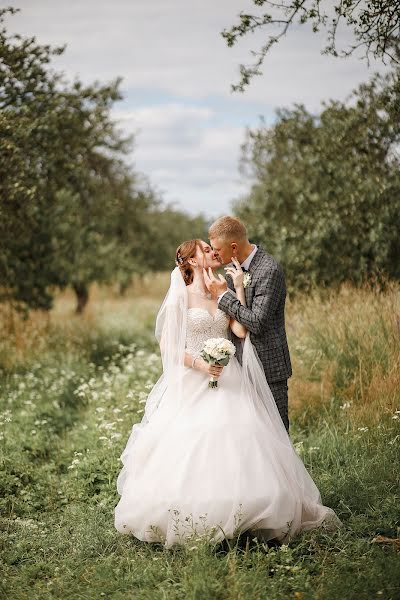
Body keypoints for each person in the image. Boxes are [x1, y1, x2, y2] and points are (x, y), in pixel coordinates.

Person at [114, 239, 341, 548]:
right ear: (192, 261)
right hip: (194, 377)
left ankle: (250, 512)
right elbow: (168, 344)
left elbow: (240, 332)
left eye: (211, 248)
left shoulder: (224, 288)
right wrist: (201, 365)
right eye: (205, 250)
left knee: (244, 434)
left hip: (229, 376)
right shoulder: (182, 295)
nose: (213, 253)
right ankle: (197, 514)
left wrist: (236, 289)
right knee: (195, 440)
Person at [206, 216, 291, 431]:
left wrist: (223, 297)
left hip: (268, 366)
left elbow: (257, 322)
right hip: (239, 369)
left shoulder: (268, 270)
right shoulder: (231, 270)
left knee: (276, 432)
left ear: (233, 247)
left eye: (217, 249)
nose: (215, 254)